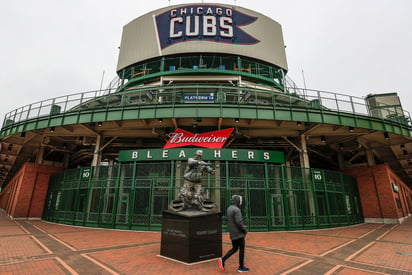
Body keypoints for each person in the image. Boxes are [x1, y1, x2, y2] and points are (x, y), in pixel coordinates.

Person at [218, 195, 249, 273]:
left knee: (234, 248)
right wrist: (245, 230)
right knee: (241, 249)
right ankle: (241, 267)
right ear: (237, 201)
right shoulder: (237, 210)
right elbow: (239, 222)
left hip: (233, 233)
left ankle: (223, 259)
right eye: (240, 200)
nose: (241, 202)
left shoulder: (229, 208)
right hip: (239, 234)